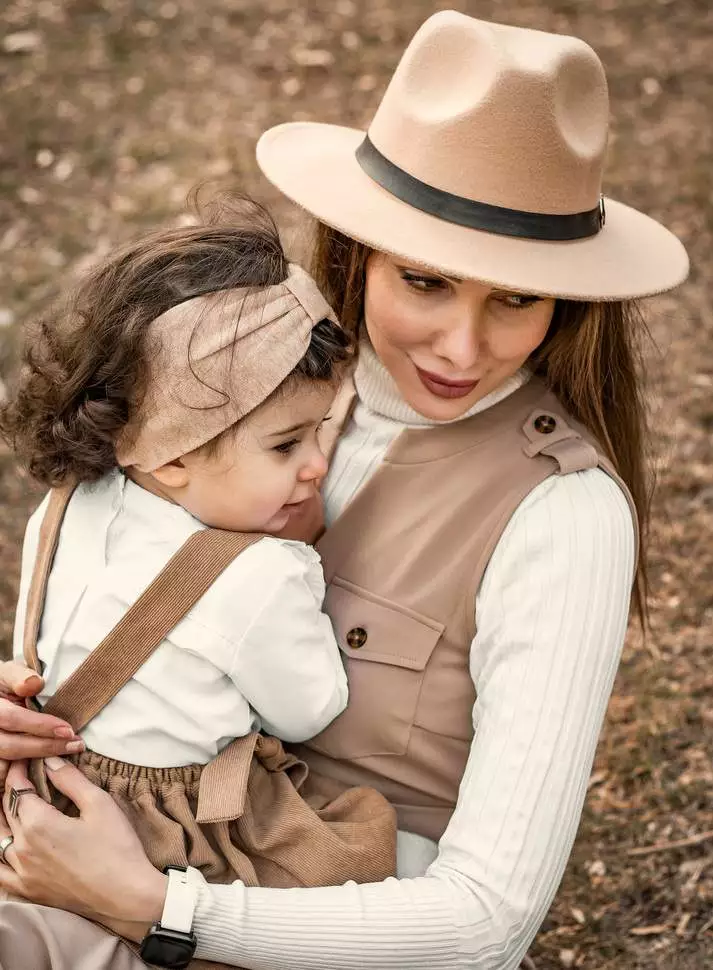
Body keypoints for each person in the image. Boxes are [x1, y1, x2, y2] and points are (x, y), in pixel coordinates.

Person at [0, 11, 689, 970]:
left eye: (515, 298)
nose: (460, 348)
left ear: (565, 302)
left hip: (310, 917)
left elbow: (485, 925)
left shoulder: (562, 515)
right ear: (359, 250)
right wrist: (53, 698)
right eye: (426, 283)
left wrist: (156, 906)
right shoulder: (249, 384)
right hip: (112, 847)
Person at [0, 194, 397, 961]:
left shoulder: (67, 501)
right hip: (172, 834)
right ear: (175, 454)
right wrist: (304, 568)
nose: (316, 464)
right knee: (353, 865)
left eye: (319, 431)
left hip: (42, 793)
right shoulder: (258, 573)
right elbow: (309, 709)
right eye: (285, 445)